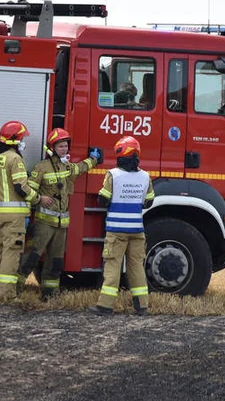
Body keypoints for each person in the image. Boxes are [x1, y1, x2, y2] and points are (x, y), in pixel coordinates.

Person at [15, 128, 102, 299]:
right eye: (60, 146)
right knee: (32, 256)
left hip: (61, 226)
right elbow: (28, 192)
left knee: (56, 261)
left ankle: (49, 293)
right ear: (52, 148)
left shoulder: (67, 167)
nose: (64, 149)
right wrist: (39, 199)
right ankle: (15, 289)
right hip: (44, 224)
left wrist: (94, 159)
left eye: (65, 146)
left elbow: (81, 168)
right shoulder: (41, 167)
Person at [90, 135, 155, 316]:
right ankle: (142, 306)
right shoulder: (145, 176)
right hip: (136, 230)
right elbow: (148, 201)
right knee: (136, 267)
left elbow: (103, 199)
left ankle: (105, 306)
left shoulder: (113, 175)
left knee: (113, 266)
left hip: (116, 231)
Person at [0, 120, 39, 298]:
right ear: (15, 140)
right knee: (11, 254)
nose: (24, 141)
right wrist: (38, 199)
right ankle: (6, 295)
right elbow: (21, 188)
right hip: (14, 219)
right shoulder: (15, 159)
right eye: (22, 138)